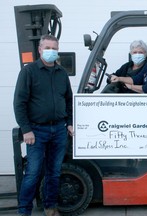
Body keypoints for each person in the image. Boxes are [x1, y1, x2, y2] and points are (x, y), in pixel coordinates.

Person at [13, 34, 73, 216]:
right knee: (32, 173)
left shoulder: (62, 73)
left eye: (54, 48)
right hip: (37, 131)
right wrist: (26, 130)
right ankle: (24, 211)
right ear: (39, 50)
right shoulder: (29, 71)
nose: (51, 52)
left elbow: (69, 101)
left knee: (54, 172)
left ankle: (50, 207)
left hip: (59, 130)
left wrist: (69, 123)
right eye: (47, 48)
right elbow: (19, 103)